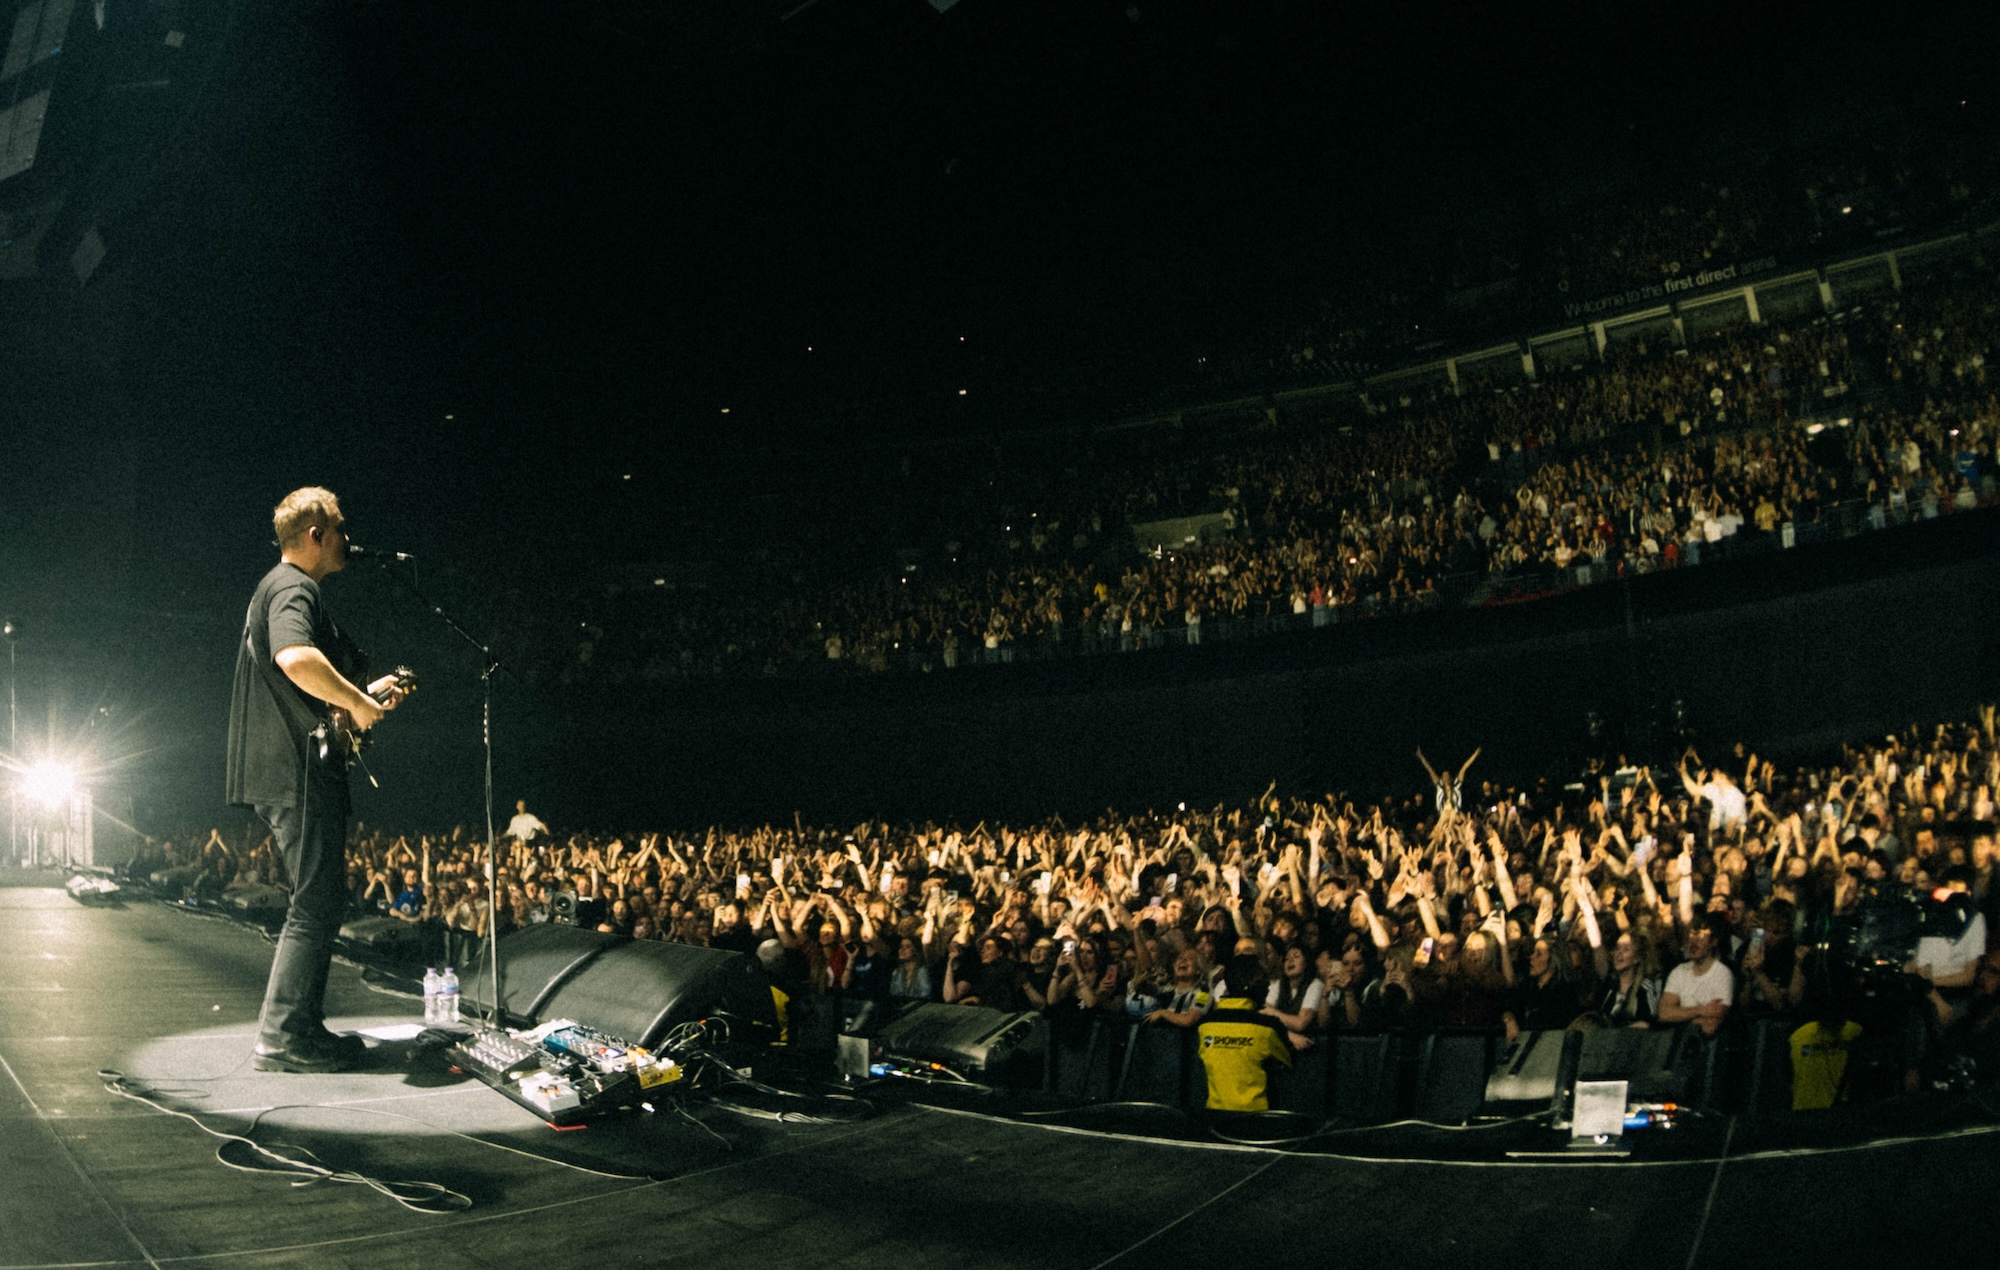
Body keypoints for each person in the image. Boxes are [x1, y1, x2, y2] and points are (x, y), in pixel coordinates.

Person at [227, 487, 406, 1073]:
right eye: (341, 527)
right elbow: (295, 658)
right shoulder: (292, 587)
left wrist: (358, 699)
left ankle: (300, 1029)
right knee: (314, 904)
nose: (348, 538)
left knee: (320, 900)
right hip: (296, 771)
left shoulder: (282, 588)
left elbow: (304, 677)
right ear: (316, 536)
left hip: (291, 767)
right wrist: (356, 701)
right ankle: (283, 1038)